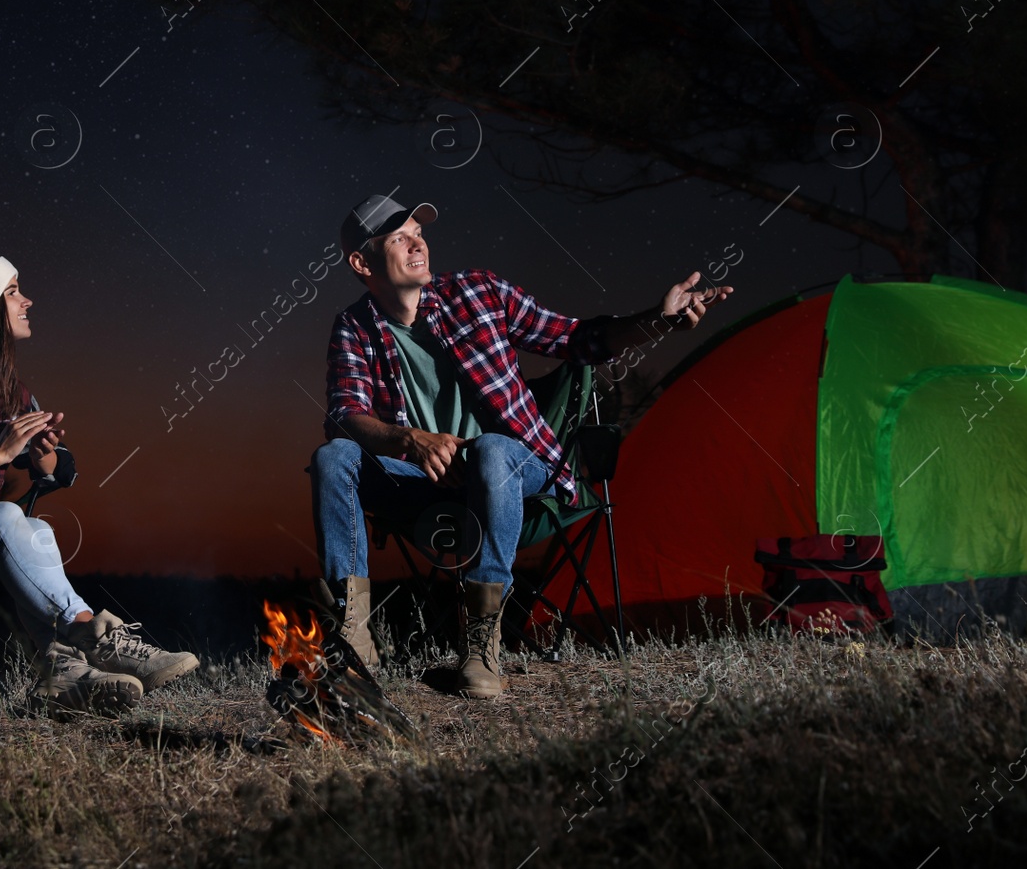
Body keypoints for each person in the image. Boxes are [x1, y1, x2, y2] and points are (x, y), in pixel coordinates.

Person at [310, 194, 732, 698]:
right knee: (332, 456)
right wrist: (409, 440)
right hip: (423, 485)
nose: (418, 243)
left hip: (513, 469)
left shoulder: (480, 292)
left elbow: (578, 339)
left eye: (418, 232)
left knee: (491, 447)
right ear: (362, 263)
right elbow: (344, 414)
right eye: (399, 237)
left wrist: (657, 320)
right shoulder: (354, 328)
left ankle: (481, 643)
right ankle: (353, 640)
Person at [0, 252, 199, 714]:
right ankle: (96, 636)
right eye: (13, 292)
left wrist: (43, 452)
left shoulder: (8, 391)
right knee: (6, 517)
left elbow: (65, 471)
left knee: (37, 529)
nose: (27, 301)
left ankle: (63, 670)